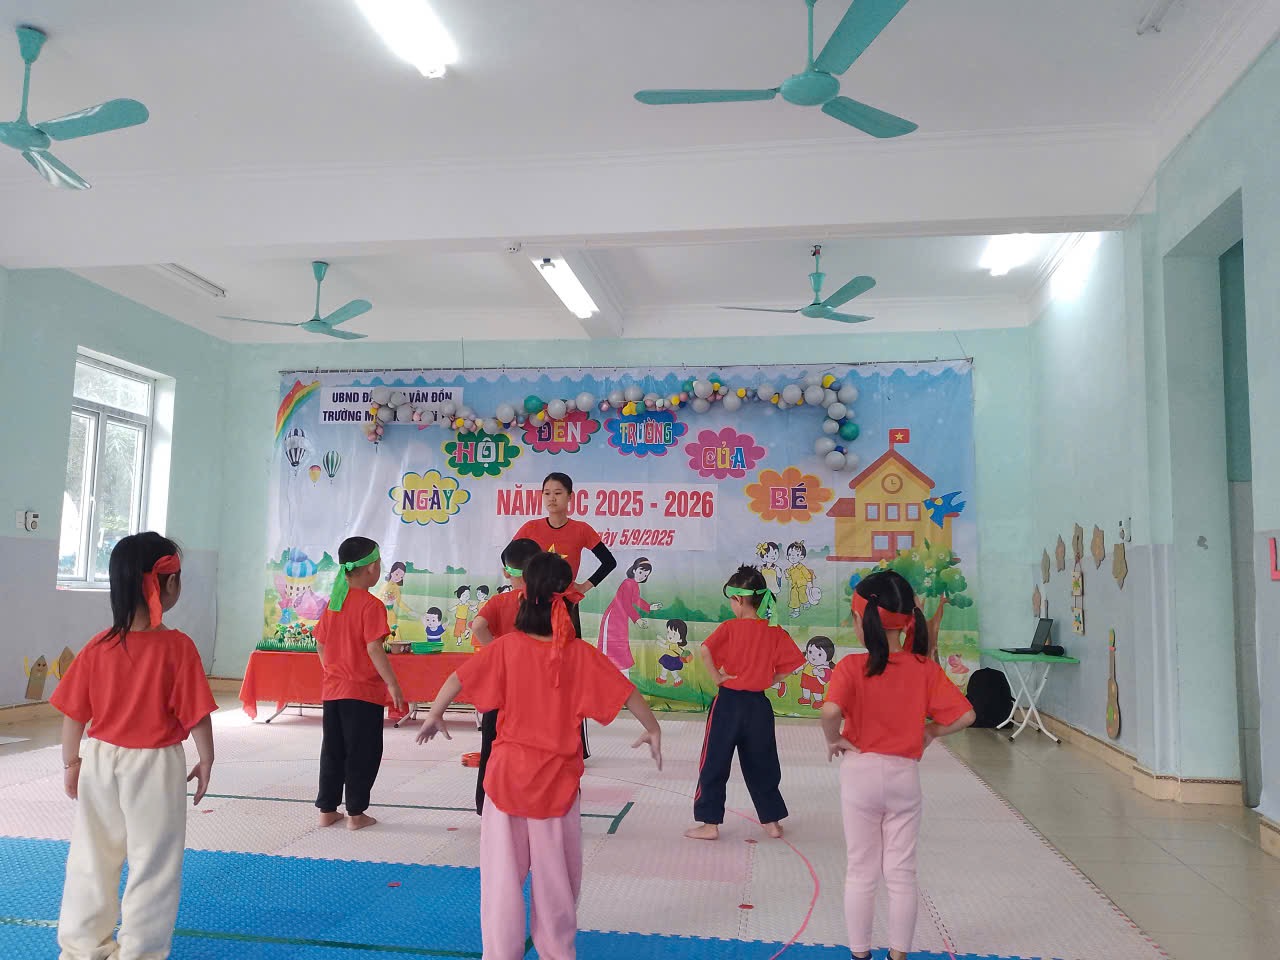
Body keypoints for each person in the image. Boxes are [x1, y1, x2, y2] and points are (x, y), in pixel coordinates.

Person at [415, 552, 662, 960]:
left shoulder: (507, 648)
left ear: (524, 594)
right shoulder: (578, 654)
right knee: (556, 884)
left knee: (501, 881)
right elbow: (627, 692)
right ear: (565, 597)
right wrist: (653, 729)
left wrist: (434, 714)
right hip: (556, 788)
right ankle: (557, 953)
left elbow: (458, 678)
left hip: (506, 782)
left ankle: (500, 954)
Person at [50, 532, 217, 960]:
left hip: (100, 762)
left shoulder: (98, 646)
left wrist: (72, 763)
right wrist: (206, 758)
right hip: (155, 766)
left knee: (92, 855)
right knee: (153, 863)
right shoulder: (178, 647)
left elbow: (73, 714)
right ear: (168, 584)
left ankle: (81, 947)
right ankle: (140, 950)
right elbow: (197, 713)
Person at [821, 570, 976, 960]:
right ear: (908, 619)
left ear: (862, 620)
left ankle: (860, 954)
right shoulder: (923, 667)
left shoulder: (851, 666)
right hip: (904, 777)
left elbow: (830, 711)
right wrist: (931, 732)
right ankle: (898, 955)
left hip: (859, 775)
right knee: (901, 873)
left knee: (861, 870)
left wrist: (833, 738)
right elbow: (967, 716)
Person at [686, 565, 805, 842]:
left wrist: (718, 677)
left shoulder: (729, 628)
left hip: (728, 704)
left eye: (731, 600)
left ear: (739, 599)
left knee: (714, 762)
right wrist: (768, 679)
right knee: (763, 763)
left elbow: (705, 649)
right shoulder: (773, 630)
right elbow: (792, 664)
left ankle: (710, 824)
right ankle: (771, 822)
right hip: (758, 706)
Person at [514, 471, 618, 757]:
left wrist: (584, 586)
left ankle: (574, 744)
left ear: (570, 497)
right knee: (533, 671)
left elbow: (609, 561)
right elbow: (510, 559)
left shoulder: (581, 529)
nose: (552, 498)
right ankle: (533, 738)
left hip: (567, 607)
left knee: (569, 674)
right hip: (535, 608)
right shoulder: (531, 527)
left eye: (558, 493)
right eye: (547, 493)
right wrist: (523, 586)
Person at [313, 536, 406, 830]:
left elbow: (320, 643)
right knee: (362, 752)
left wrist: (332, 671)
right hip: (363, 693)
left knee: (333, 750)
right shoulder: (371, 605)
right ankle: (355, 813)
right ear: (372, 568)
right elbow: (374, 647)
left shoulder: (334, 604)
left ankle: (327, 810)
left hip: (333, 692)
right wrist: (393, 684)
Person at [468, 537, 542, 814]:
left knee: (492, 743)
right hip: (537, 687)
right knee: (534, 747)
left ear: (506, 572)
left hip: (502, 686)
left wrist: (496, 650)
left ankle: (485, 804)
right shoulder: (550, 602)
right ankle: (530, 802)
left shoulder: (500, 601)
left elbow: (478, 626)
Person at [597, 557, 662, 672]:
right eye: (640, 572)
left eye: (645, 575)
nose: (642, 576)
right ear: (634, 570)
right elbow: (626, 603)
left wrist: (649, 607)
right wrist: (637, 619)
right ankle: (604, 669)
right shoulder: (628, 583)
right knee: (610, 644)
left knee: (621, 643)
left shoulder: (634, 584)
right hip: (613, 618)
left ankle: (620, 670)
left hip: (621, 618)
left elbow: (635, 599)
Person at [655, 618, 690, 686]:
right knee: (665, 668)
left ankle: (677, 679)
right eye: (668, 632)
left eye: (674, 634)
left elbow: (667, 646)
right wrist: (660, 638)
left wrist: (660, 644)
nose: (670, 636)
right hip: (668, 657)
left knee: (672, 670)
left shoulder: (675, 645)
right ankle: (663, 678)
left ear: (681, 636)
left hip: (673, 659)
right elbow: (666, 642)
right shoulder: (671, 642)